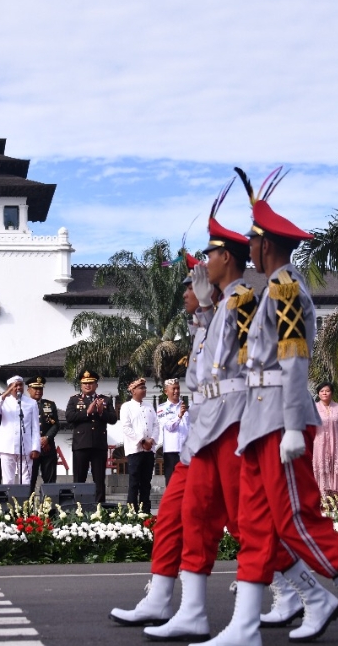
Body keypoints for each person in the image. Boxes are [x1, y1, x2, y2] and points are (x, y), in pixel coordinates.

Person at [207, 176, 338, 646]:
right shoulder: (273, 289)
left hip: (280, 420)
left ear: (266, 244)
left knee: (298, 521)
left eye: (253, 240)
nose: (248, 248)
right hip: (261, 422)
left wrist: (295, 424)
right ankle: (244, 626)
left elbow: (294, 360)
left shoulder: (287, 288)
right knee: (255, 528)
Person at [146, 205, 255, 642]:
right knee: (187, 515)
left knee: (248, 521)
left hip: (232, 425)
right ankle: (181, 605)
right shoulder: (211, 319)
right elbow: (202, 377)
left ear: (225, 258)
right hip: (207, 428)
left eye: (203, 263)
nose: (193, 282)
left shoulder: (241, 302)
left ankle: (301, 593)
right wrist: (203, 315)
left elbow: (252, 368)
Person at [112, 255, 205, 628]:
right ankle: (165, 599)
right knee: (169, 517)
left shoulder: (230, 323)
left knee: (248, 522)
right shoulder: (202, 331)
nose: (183, 294)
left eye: (189, 287)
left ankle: (313, 591)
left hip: (223, 438)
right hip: (192, 446)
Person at [65, 370, 117, 506]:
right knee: (79, 478)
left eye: (91, 383)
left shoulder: (105, 399)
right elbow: (69, 417)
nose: (88, 386)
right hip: (81, 444)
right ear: (81, 385)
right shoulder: (74, 399)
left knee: (99, 479)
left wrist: (101, 412)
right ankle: (77, 507)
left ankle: (99, 508)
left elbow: (113, 419)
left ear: (96, 385)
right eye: (85, 383)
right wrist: (86, 413)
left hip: (98, 445)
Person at [0, 376, 41, 485]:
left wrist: (36, 447)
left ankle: (24, 502)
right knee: (8, 480)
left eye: (20, 385)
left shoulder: (31, 403)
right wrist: (5, 394)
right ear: (9, 388)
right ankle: (9, 502)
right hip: (7, 447)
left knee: (26, 479)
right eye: (15, 386)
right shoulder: (4, 401)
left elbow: (35, 427)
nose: (18, 388)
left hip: (26, 447)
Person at [119, 377, 159, 513]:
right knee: (134, 482)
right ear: (133, 391)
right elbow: (126, 427)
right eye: (141, 388)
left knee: (146, 482)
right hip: (135, 450)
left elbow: (156, 424)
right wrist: (142, 441)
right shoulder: (126, 407)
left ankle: (145, 511)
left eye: (145, 387)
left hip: (149, 450)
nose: (144, 390)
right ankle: (132, 512)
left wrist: (151, 440)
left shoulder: (149, 406)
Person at [311, 382, 338, 497]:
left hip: (337, 445)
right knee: (322, 470)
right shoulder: (313, 408)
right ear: (318, 393)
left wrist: (336, 437)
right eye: (322, 391)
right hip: (319, 445)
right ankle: (322, 501)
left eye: (327, 391)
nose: (324, 393)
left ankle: (337, 500)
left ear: (332, 393)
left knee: (337, 471)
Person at [27, 375, 60, 493]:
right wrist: (37, 441)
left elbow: (56, 425)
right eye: (35, 388)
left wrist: (46, 438)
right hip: (30, 449)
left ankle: (48, 509)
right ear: (28, 390)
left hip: (48, 448)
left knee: (50, 481)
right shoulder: (24, 405)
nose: (38, 391)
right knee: (29, 481)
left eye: (40, 388)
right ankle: (28, 509)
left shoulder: (50, 405)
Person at [156, 378, 188, 488]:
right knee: (172, 483)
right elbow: (169, 427)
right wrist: (179, 416)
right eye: (173, 389)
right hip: (171, 451)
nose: (176, 391)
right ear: (166, 391)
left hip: (186, 451)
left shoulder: (186, 406)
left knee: (187, 483)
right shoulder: (162, 408)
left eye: (178, 388)